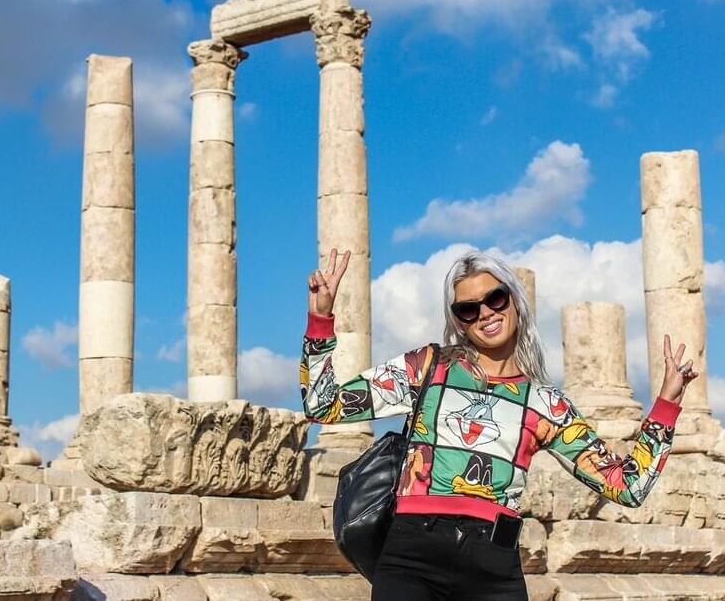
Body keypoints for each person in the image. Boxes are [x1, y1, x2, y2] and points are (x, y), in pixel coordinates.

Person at [299, 248, 698, 601]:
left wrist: (666, 407)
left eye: (495, 298)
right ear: (459, 322)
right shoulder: (428, 367)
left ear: (515, 301)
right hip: (412, 557)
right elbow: (323, 406)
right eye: (468, 309)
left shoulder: (546, 405)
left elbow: (627, 486)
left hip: (493, 568)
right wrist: (321, 319)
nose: (485, 313)